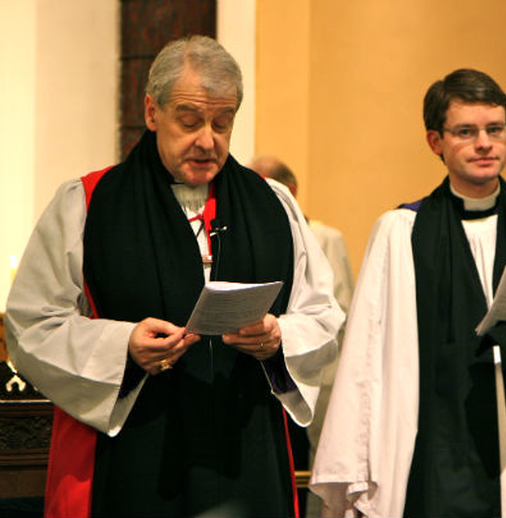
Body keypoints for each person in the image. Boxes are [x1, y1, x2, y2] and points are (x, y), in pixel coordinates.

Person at [5, 35, 344, 518]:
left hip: (244, 447)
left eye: (222, 124)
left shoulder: (274, 205)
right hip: (136, 449)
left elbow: (323, 315)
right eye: (189, 121)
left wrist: (277, 336)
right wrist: (122, 346)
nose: (207, 140)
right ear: (151, 112)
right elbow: (30, 325)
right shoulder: (87, 202)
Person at [310, 69, 506, 518]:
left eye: (495, 129)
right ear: (436, 142)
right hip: (438, 440)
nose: (484, 144)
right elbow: (368, 359)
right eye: (466, 132)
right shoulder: (401, 234)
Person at [248, 155, 354, 517]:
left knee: (317, 455)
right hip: (269, 358)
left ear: (289, 190)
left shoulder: (326, 236)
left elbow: (338, 305)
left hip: (319, 365)